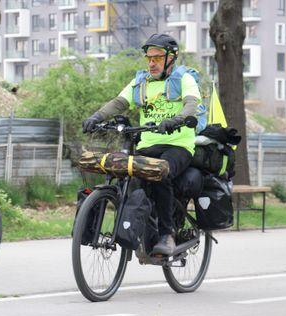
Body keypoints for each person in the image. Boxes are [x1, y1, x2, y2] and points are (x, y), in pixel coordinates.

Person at [82, 33, 203, 256]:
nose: (151, 62)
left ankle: (167, 234)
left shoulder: (184, 78)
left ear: (170, 58)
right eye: (149, 58)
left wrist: (176, 120)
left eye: (157, 58)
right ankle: (135, 230)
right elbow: (119, 103)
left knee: (160, 172)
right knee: (131, 178)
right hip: (148, 145)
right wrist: (96, 118)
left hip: (178, 146)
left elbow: (191, 105)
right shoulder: (141, 82)